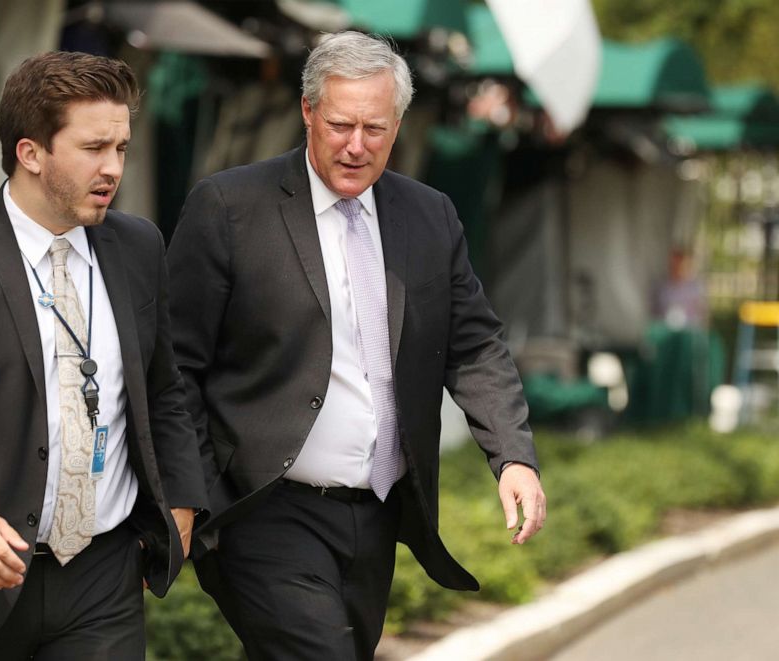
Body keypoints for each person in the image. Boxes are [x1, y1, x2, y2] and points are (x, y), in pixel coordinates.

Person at [166, 31, 546, 660]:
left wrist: (514, 457)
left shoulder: (431, 216)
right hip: (263, 508)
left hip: (376, 515)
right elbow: (175, 363)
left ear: (398, 122)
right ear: (308, 111)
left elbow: (474, 344)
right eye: (341, 124)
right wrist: (196, 492)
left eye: (375, 127)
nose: (356, 145)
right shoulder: (231, 207)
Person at [0, 51, 207, 659]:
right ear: (31, 152)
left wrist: (180, 500)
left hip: (103, 575)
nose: (113, 168)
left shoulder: (139, 246)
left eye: (121, 149)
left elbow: (163, 389)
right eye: (93, 147)